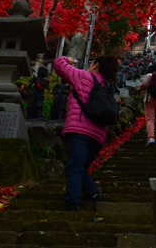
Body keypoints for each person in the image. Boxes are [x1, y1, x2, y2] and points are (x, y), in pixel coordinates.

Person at [53, 54, 119, 211]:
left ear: (96, 65)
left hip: (79, 130)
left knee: (75, 168)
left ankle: (72, 203)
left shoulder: (83, 76)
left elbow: (58, 65)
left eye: (92, 62)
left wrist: (67, 59)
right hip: (99, 136)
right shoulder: (107, 86)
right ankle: (93, 193)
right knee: (79, 167)